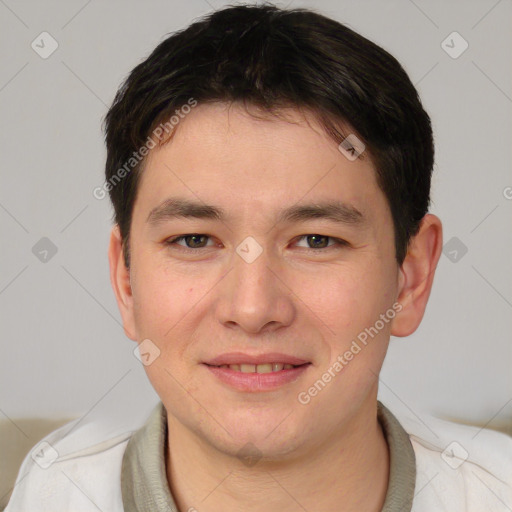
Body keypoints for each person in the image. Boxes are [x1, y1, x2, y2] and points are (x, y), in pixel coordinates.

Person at [5, 3, 512, 511]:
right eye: (195, 241)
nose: (252, 309)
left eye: (316, 241)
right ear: (127, 280)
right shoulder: (51, 495)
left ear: (410, 278)